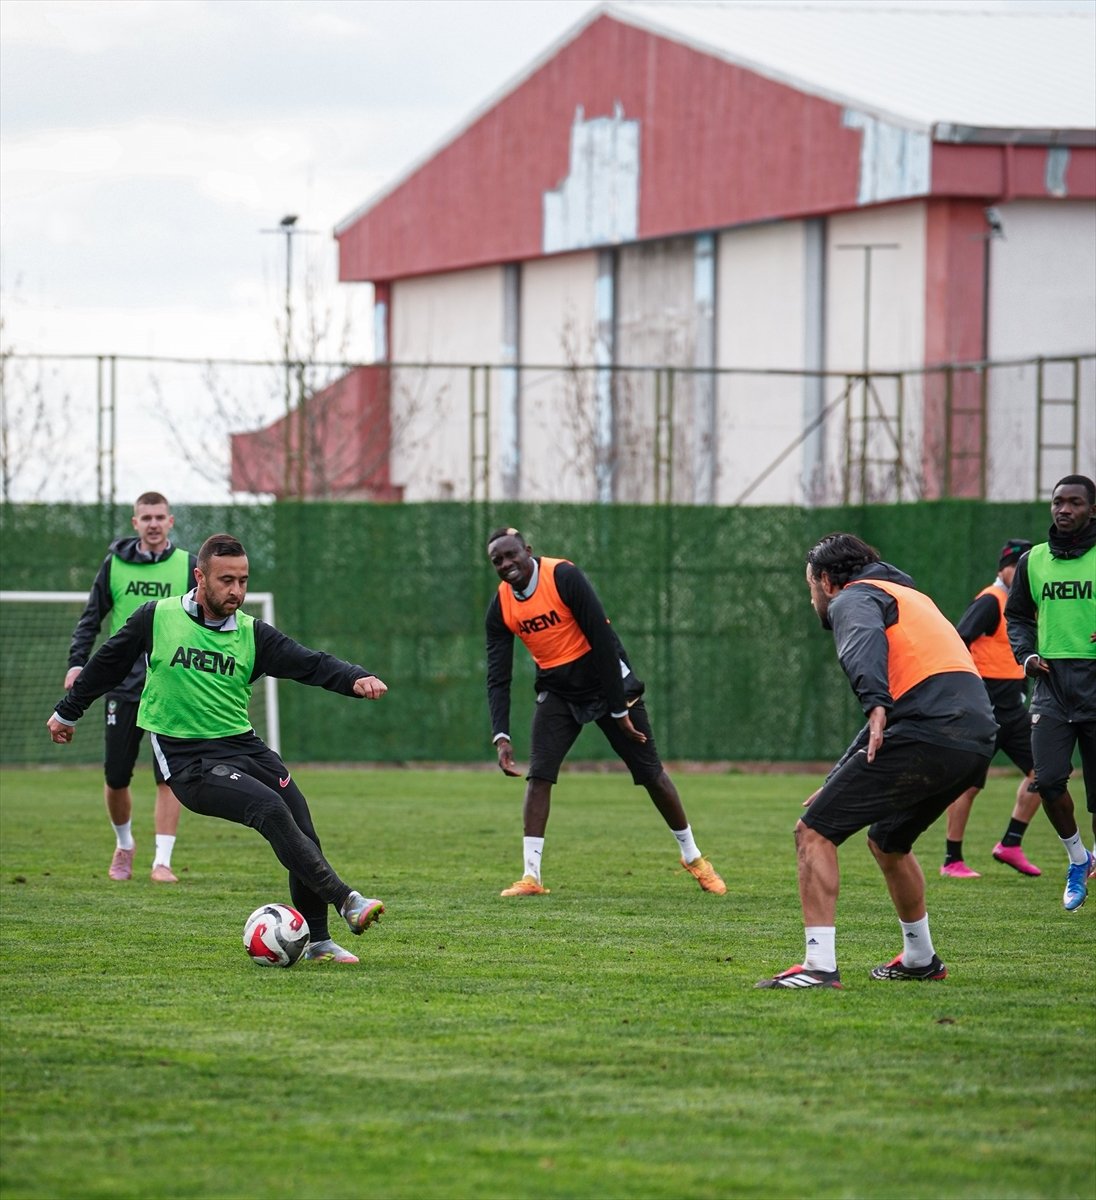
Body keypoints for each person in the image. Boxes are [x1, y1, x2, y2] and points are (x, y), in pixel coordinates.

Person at [48, 533, 386, 965]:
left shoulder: (252, 633)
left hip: (243, 745)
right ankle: (347, 900)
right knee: (269, 809)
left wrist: (354, 677)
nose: (237, 591)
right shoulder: (156, 617)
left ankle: (319, 943)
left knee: (303, 826)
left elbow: (310, 663)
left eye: (243, 581)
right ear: (200, 576)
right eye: (227, 580)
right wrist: (68, 711)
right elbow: (106, 665)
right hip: (188, 761)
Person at [757, 533, 996, 989]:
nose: (812, 599)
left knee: (813, 832)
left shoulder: (854, 597)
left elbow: (864, 645)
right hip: (975, 739)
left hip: (930, 730)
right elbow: (905, 704)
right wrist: (838, 775)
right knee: (889, 840)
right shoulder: (909, 597)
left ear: (827, 581)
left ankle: (818, 966)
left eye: (810, 587)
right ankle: (920, 958)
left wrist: (873, 700)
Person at [484, 526, 726, 897]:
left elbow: (602, 639)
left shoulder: (563, 576)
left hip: (606, 679)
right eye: (497, 560)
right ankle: (531, 877)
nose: (505, 564)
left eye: (510, 554)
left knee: (650, 773)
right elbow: (498, 676)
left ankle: (693, 857)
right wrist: (501, 735)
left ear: (528, 551)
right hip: (559, 690)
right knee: (540, 775)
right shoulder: (501, 606)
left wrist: (618, 709)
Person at [66, 492, 197, 884]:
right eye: (146, 517)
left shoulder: (188, 565)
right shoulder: (115, 565)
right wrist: (77, 662)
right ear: (135, 523)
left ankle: (162, 862)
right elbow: (91, 617)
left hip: (172, 685)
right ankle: (124, 844)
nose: (153, 523)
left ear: (170, 522)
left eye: (159, 517)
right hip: (122, 685)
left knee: (168, 775)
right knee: (116, 776)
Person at [1004, 474, 1096, 912]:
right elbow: (1018, 616)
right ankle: (1078, 860)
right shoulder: (1034, 560)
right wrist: (1025, 656)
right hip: (1051, 685)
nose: (1064, 509)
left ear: (1092, 510)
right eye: (1058, 502)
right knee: (1049, 781)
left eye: (1075, 502)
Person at [939, 538, 1042, 879]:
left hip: (1014, 710)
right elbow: (958, 638)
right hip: (984, 710)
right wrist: (967, 688)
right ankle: (951, 860)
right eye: (1018, 568)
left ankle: (1011, 843)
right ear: (1004, 569)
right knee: (968, 784)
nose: (1024, 574)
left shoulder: (1025, 604)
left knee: (1046, 774)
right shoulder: (990, 600)